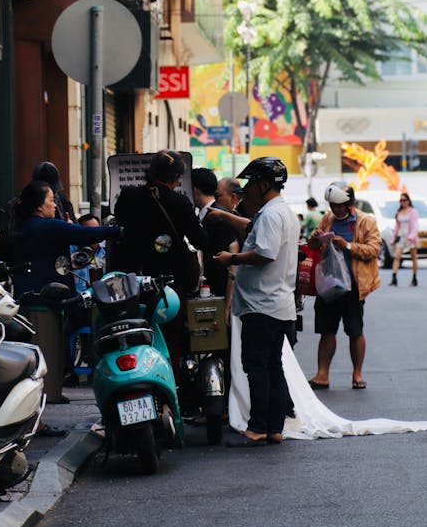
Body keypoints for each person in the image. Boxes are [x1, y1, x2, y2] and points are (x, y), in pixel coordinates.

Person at [214, 157, 300, 447]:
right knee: (273, 366)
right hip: (277, 305)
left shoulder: (271, 216)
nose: (247, 189)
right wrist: (225, 216)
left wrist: (232, 258)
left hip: (262, 304)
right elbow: (253, 227)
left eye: (251, 183)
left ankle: (258, 426)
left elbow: (265, 252)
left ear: (264, 184)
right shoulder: (281, 213)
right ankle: (275, 427)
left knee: (257, 366)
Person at [11, 181, 121, 407]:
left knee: (50, 350)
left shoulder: (27, 226)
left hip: (36, 298)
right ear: (39, 207)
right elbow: (82, 233)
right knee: (46, 352)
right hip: (41, 302)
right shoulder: (46, 226)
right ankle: (43, 402)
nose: (54, 205)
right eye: (50, 200)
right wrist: (118, 230)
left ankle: (51, 395)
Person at [114, 151, 207, 382]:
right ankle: (168, 387)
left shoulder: (128, 196)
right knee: (169, 339)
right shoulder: (180, 203)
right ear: (176, 178)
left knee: (133, 337)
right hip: (169, 286)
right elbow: (200, 240)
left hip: (131, 283)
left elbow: (120, 224)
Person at [308, 181, 381, 391]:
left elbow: (373, 249)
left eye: (340, 205)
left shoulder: (366, 221)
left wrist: (347, 245)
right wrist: (314, 240)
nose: (336, 209)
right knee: (326, 330)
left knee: (355, 331)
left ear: (350, 203)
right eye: (333, 205)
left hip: (354, 286)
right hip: (329, 285)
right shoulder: (327, 219)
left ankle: (357, 374)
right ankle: (322, 375)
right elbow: (313, 247)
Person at [64, 213, 107, 387]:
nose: (93, 236)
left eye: (96, 231)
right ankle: (68, 372)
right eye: (88, 231)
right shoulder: (70, 253)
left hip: (102, 304)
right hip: (78, 304)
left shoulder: (106, 253)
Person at [191, 167, 238, 298]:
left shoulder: (219, 216)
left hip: (219, 290)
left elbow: (229, 256)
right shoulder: (205, 214)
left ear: (195, 190)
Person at [389, 192, 419, 287]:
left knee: (413, 257)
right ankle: (394, 278)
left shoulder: (413, 211)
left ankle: (414, 278)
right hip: (401, 236)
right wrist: (393, 239)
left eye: (404, 200)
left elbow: (415, 226)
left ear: (408, 201)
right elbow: (397, 227)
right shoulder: (399, 212)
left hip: (410, 237)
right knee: (397, 256)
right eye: (401, 200)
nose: (402, 202)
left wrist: (411, 236)